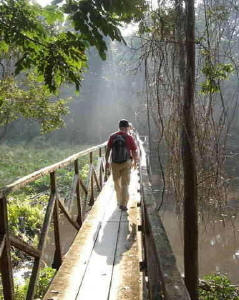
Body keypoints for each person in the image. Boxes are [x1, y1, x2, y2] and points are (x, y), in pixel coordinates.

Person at [105, 119, 138, 211]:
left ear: (119, 127)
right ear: (127, 128)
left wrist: (106, 161)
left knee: (116, 183)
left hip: (114, 163)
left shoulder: (112, 136)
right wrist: (135, 161)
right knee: (125, 184)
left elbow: (108, 150)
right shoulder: (129, 137)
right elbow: (134, 151)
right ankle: (123, 204)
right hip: (126, 162)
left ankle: (119, 201)